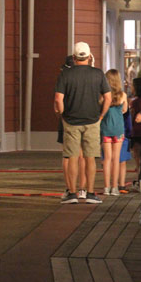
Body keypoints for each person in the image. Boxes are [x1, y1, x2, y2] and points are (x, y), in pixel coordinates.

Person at [54, 42, 111, 204]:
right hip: (92, 120)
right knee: (90, 157)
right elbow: (108, 97)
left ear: (74, 57)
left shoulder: (65, 74)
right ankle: (90, 193)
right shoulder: (98, 74)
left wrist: (63, 114)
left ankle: (72, 193)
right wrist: (101, 115)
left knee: (72, 157)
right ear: (89, 56)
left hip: (71, 120)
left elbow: (58, 98)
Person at [57, 56, 88, 202]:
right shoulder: (86, 78)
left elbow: (57, 102)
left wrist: (63, 114)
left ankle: (70, 189)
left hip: (67, 119)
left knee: (68, 156)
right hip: (84, 118)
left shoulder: (63, 79)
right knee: (82, 156)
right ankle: (82, 189)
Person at [101, 69, 128, 196]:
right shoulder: (123, 95)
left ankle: (106, 187)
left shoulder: (103, 95)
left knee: (107, 159)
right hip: (118, 129)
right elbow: (125, 109)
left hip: (105, 128)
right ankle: (115, 187)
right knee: (116, 159)